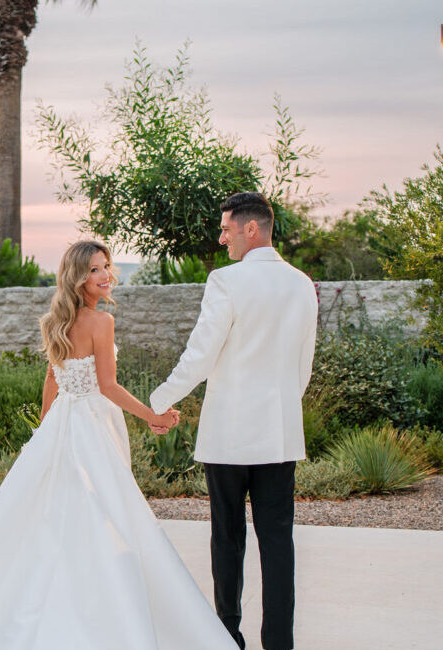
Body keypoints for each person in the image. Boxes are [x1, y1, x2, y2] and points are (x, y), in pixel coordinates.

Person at [0, 239, 239, 650]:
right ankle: (95, 598)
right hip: (92, 423)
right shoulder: (102, 323)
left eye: (107, 266)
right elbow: (108, 386)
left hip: (65, 420)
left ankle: (65, 588)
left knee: (64, 510)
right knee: (107, 510)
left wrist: (45, 431)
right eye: (96, 269)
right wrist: (152, 415)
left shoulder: (55, 322)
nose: (106, 275)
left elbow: (52, 379)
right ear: (79, 278)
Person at [150, 192, 319, 650]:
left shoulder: (225, 281)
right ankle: (278, 643)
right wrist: (280, 408)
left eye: (226, 229)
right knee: (278, 543)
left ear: (251, 229)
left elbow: (199, 356)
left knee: (227, 538)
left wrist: (158, 402)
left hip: (228, 436)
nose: (221, 238)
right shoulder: (302, 283)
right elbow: (303, 366)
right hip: (279, 436)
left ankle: (228, 636)